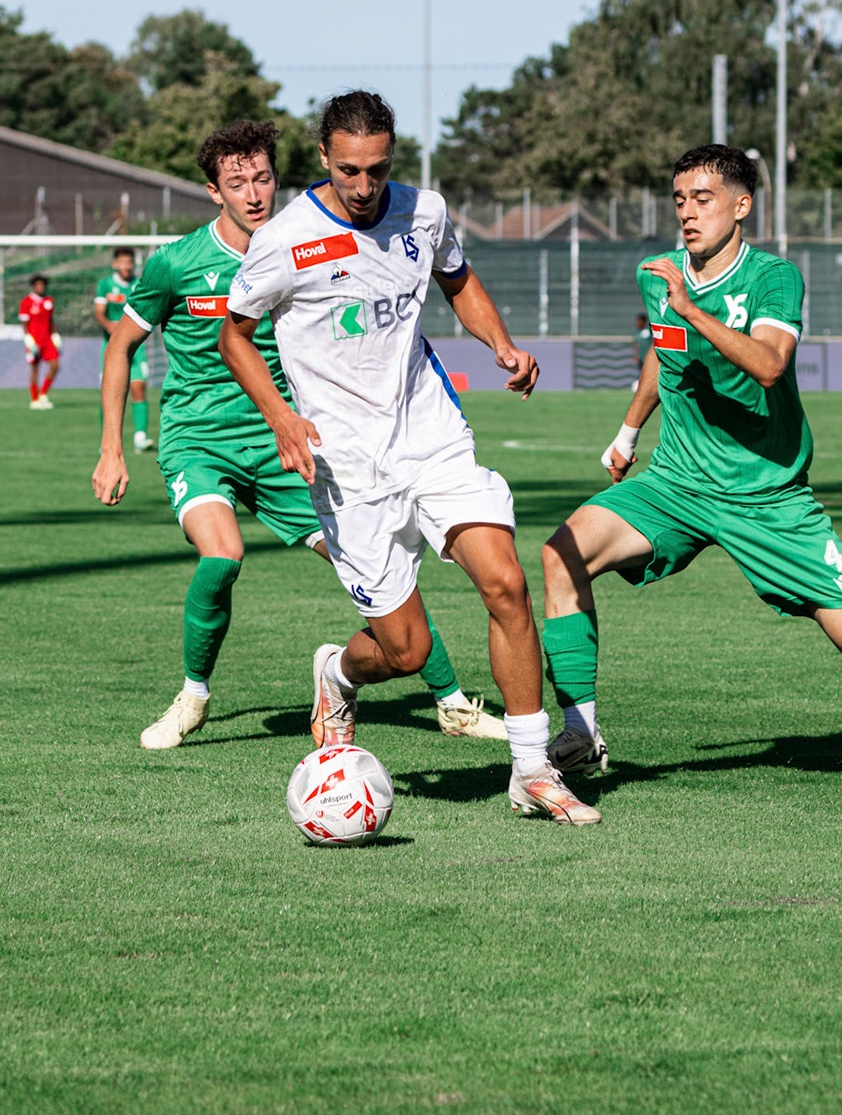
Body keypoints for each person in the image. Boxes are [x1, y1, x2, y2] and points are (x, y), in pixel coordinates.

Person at [536, 145, 842, 792]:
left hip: (767, 494)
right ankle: (580, 730)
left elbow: (769, 364)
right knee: (561, 554)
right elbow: (665, 352)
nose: (688, 213)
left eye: (703, 199)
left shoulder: (774, 278)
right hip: (678, 484)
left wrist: (689, 308)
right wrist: (629, 432)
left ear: (742, 206)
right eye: (680, 200)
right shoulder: (659, 276)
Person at [221, 92, 598, 826]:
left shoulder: (425, 211)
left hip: (431, 437)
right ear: (324, 160)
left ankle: (531, 770)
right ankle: (336, 674)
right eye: (350, 171)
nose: (365, 188)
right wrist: (281, 416)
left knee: (506, 583)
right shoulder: (285, 238)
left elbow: (456, 279)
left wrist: (501, 344)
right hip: (348, 468)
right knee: (403, 650)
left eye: (378, 169)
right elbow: (235, 333)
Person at [94, 119, 504, 749]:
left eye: (262, 177)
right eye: (238, 183)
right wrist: (113, 448)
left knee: (384, 575)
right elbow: (121, 348)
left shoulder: (304, 240)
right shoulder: (176, 263)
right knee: (223, 555)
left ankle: (450, 702)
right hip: (200, 441)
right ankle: (193, 696)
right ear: (214, 192)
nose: (254, 193)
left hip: (290, 445)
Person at [94, 246, 152, 450]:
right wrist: (109, 325)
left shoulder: (139, 285)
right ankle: (107, 440)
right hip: (110, 346)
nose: (127, 266)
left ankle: (140, 437)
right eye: (123, 262)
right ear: (115, 264)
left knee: (139, 386)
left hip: (136, 346)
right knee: (109, 390)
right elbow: (99, 312)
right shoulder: (105, 285)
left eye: (130, 262)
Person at [18, 274, 60, 409]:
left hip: (47, 339)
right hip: (34, 340)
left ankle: (43, 394)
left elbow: (51, 320)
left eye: (43, 285)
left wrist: (55, 335)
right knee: (35, 368)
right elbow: (24, 322)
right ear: (33, 286)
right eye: (38, 285)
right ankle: (34, 399)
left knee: (55, 365)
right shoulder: (27, 302)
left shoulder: (49, 301)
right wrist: (27, 337)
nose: (41, 287)